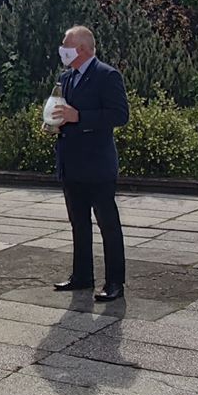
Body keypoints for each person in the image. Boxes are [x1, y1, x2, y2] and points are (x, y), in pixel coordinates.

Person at [51, 25, 129, 301]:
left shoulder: (106, 75)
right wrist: (54, 121)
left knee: (108, 225)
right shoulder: (67, 77)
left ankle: (115, 282)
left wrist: (80, 117)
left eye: (66, 45)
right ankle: (82, 275)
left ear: (82, 49)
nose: (62, 50)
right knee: (79, 223)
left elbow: (119, 115)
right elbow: (63, 111)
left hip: (97, 165)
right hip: (71, 162)